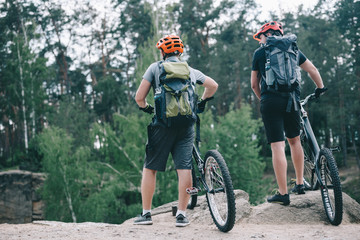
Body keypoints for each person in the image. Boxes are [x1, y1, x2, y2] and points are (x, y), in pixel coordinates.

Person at [134, 35, 218, 226]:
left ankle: (146, 214)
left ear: (163, 52)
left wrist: (148, 109)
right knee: (184, 168)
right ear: (179, 52)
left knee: (150, 168)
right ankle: (181, 214)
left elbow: (139, 97)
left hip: (162, 126)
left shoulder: (155, 68)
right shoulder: (190, 70)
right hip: (186, 125)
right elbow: (213, 86)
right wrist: (202, 102)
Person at [250, 21, 327, 205]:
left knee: (277, 146)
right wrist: (320, 88)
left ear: (265, 34)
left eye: (260, 36)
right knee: (295, 141)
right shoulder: (293, 49)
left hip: (270, 101)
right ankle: (300, 184)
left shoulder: (260, 52)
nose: (260, 40)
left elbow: (254, 84)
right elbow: (312, 70)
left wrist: (265, 100)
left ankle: (283, 194)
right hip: (292, 99)